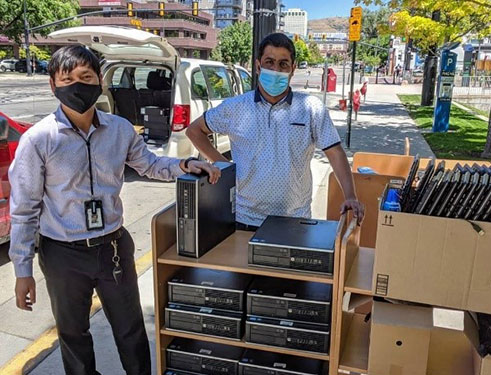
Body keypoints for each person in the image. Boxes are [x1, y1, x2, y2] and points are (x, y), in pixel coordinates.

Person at [9, 45, 220, 375]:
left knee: (131, 331)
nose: (77, 85)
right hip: (63, 255)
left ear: (99, 82)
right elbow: (24, 209)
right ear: (53, 85)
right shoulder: (38, 140)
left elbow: (149, 165)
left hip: (113, 250)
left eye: (86, 77)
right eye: (67, 79)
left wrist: (185, 164)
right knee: (73, 335)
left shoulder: (120, 130)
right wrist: (22, 271)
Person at [186, 33, 364, 231]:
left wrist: (350, 196)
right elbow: (194, 131)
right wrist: (225, 166)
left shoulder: (311, 108)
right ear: (258, 66)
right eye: (269, 62)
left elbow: (335, 152)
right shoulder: (235, 107)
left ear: (293, 69)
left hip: (296, 219)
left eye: (283, 64)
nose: (275, 70)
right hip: (245, 220)